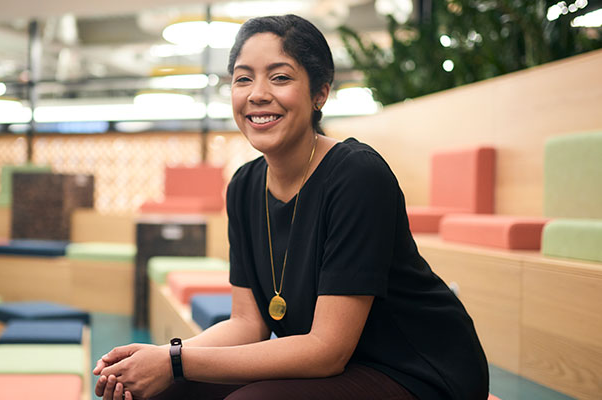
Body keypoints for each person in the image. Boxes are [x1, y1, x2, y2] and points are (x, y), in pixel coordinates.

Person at [93, 14, 489, 400]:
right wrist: (165, 358)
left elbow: (326, 350)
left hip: (418, 371)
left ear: (320, 93)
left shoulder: (357, 175)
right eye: (242, 78)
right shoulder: (244, 186)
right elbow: (248, 324)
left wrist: (176, 361)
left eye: (280, 77)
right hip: (339, 364)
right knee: (163, 393)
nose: (257, 93)